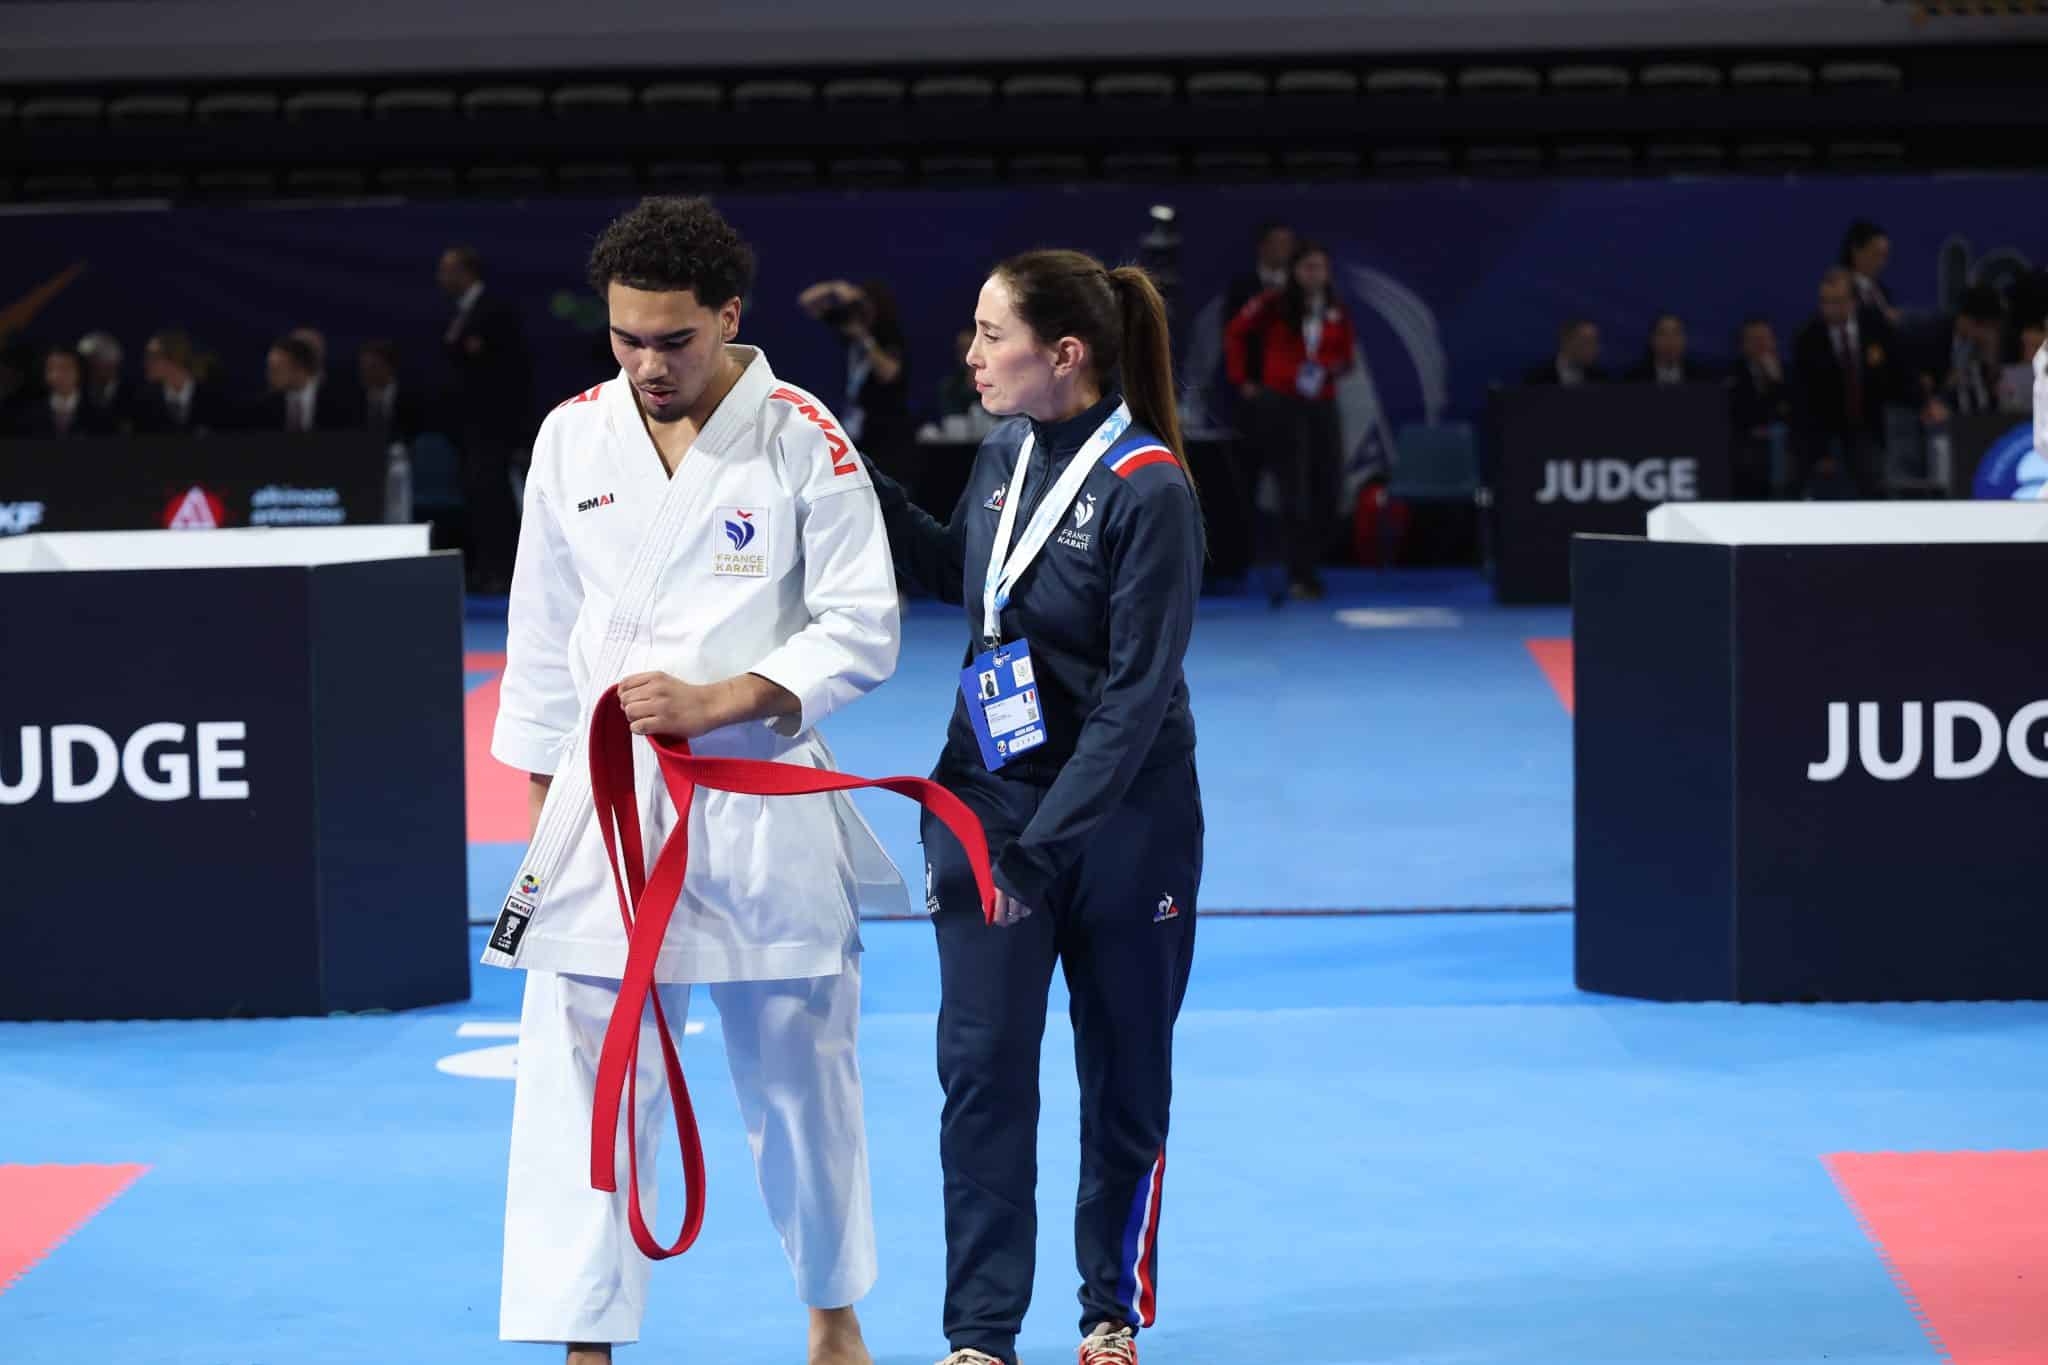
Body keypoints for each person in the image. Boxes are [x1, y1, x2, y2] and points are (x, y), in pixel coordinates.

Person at [486, 195, 901, 1365]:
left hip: (755, 793)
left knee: (801, 1071)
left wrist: (722, 698)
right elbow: (541, 637)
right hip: (605, 809)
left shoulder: (802, 436)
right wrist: (542, 827)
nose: (647, 364)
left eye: (673, 340)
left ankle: (832, 1316)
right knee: (585, 1071)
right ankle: (583, 1338)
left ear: (728, 315)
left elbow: (862, 625)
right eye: (626, 338)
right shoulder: (572, 436)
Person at [861, 249, 1206, 1365]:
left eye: (990, 333)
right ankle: (978, 1336)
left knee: (1126, 1075)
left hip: (1122, 822)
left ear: (1064, 354)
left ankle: (1108, 1315)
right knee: (982, 1072)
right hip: (987, 801)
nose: (970, 354)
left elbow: (1132, 704)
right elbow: (965, 579)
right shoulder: (1004, 452)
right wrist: (856, 485)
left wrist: (1041, 852)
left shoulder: (1150, 489)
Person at [1225, 239, 1356, 601]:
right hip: (1282, 404)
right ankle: (1301, 574)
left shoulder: (1335, 308)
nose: (1315, 274)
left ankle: (1311, 561)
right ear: (1295, 272)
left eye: (1321, 268)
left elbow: (1347, 355)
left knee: (1329, 486)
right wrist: (1242, 380)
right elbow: (1236, 332)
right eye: (1308, 267)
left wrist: (1334, 366)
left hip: (1322, 401)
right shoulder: (1272, 303)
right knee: (1293, 488)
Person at [438, 243, 534, 592]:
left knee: (496, 500)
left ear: (466, 272)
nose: (441, 277)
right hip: (468, 429)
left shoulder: (492, 311)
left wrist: (515, 428)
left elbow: (511, 373)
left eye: (447, 270)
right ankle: (489, 570)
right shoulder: (459, 313)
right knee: (478, 500)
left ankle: (507, 573)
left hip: (493, 427)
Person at [1791, 266, 1903, 498]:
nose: (1830, 308)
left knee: (1874, 490)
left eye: (1837, 301)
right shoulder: (1807, 338)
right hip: (1827, 435)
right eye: (1825, 302)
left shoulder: (1875, 326)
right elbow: (1804, 401)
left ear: (1853, 302)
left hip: (1869, 429)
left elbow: (1898, 369)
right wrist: (1820, 451)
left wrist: (1924, 401)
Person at [798, 277, 914, 477]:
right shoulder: (847, 326)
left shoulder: (888, 335)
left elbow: (889, 374)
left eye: (865, 305)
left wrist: (863, 338)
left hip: (887, 433)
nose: (861, 312)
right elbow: (806, 301)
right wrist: (834, 288)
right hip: (855, 430)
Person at [1729, 317, 1791, 499]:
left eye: (1765, 338)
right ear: (1743, 345)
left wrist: (1776, 381)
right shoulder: (1734, 375)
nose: (1761, 344)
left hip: (1782, 447)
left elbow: (1790, 411)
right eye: (1754, 339)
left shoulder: (1788, 374)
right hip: (1746, 449)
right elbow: (1739, 414)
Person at [137, 330, 233, 435]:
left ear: (175, 358)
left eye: (153, 357)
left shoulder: (214, 399)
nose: (146, 362)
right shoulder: (144, 403)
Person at [256, 333, 354, 432]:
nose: (269, 375)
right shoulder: (266, 406)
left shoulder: (339, 402)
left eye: (276, 369)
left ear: (300, 368)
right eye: (269, 369)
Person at [13, 346, 113, 438]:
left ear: (79, 371)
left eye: (65, 368)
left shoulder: (98, 413)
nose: (57, 375)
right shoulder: (30, 414)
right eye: (51, 369)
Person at [356, 338, 427, 446]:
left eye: (372, 366)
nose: (365, 373)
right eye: (362, 367)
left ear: (389, 367)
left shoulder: (411, 398)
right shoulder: (356, 400)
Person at [1624, 314, 1716, 385]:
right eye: (1663, 334)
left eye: (1676, 333)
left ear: (1684, 339)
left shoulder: (1703, 379)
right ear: (1652, 340)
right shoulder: (1633, 380)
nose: (1670, 341)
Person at [76, 331, 139, 434]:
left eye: (95, 358)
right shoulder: (78, 392)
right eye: (86, 360)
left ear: (113, 361)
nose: (89, 366)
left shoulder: (134, 394)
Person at [1840, 219, 1900, 323]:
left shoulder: (1882, 291)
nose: (1881, 263)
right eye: (1875, 254)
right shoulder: (1840, 289)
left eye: (1884, 256)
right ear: (1856, 251)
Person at [1523, 319, 1607, 386]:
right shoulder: (1538, 380)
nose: (1595, 349)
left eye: (1596, 342)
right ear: (1566, 342)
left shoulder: (1601, 380)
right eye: (1587, 342)